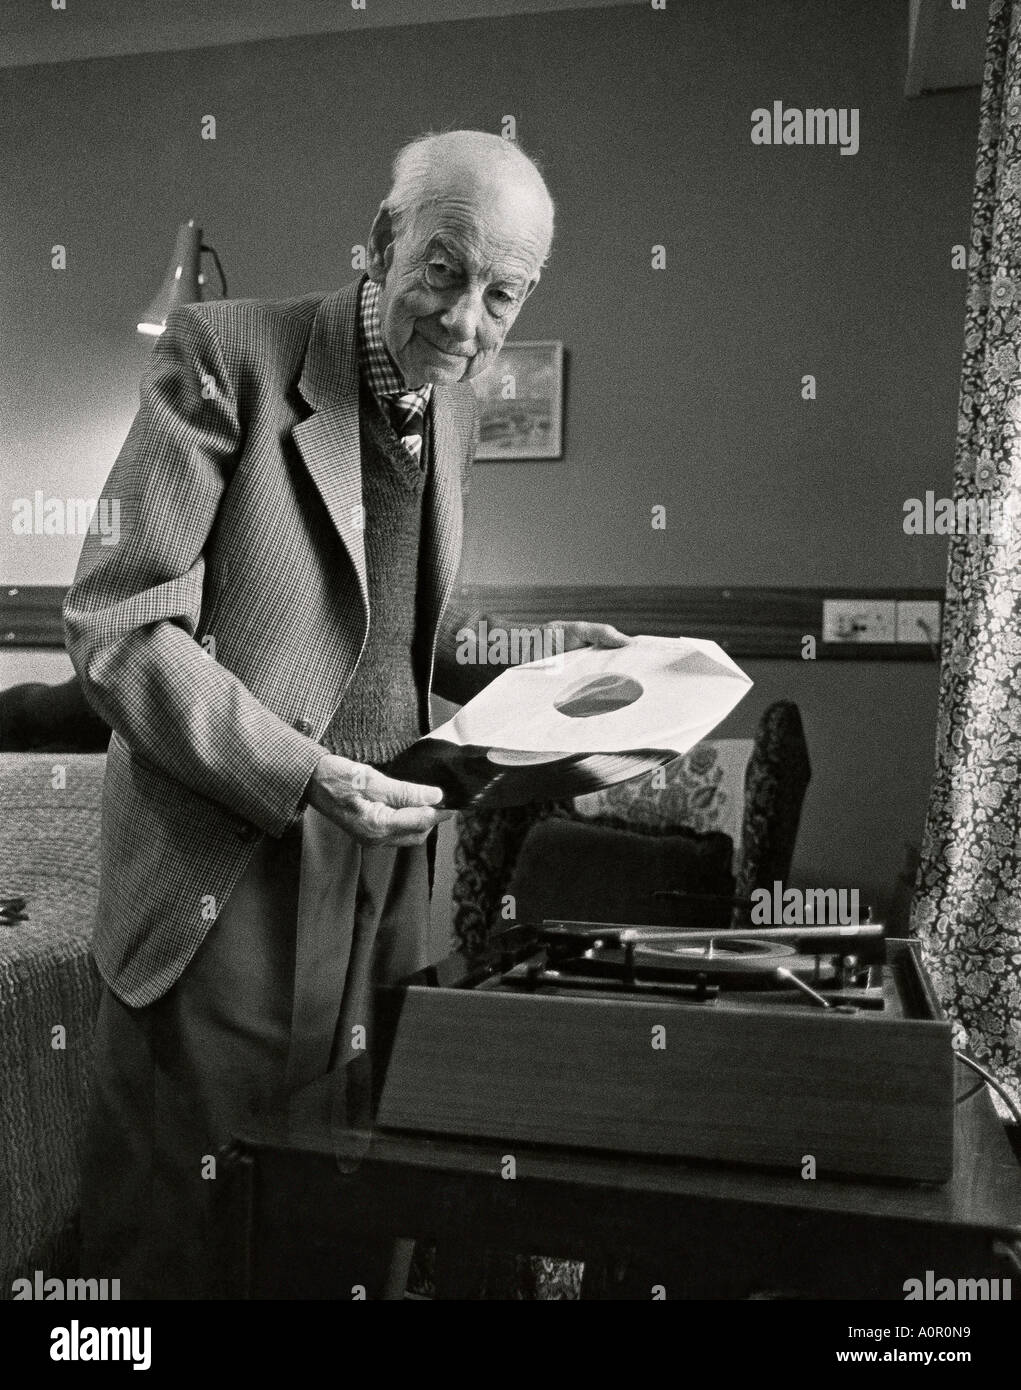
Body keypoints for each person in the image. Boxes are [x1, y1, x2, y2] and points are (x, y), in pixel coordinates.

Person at [64, 129, 628, 1298]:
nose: (466, 320)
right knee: (188, 1236)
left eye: (502, 294)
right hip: (229, 857)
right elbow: (117, 623)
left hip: (385, 878)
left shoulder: (456, 408)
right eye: (442, 269)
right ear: (379, 245)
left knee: (354, 1213)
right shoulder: (228, 356)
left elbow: (391, 642)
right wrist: (306, 773)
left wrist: (560, 674)